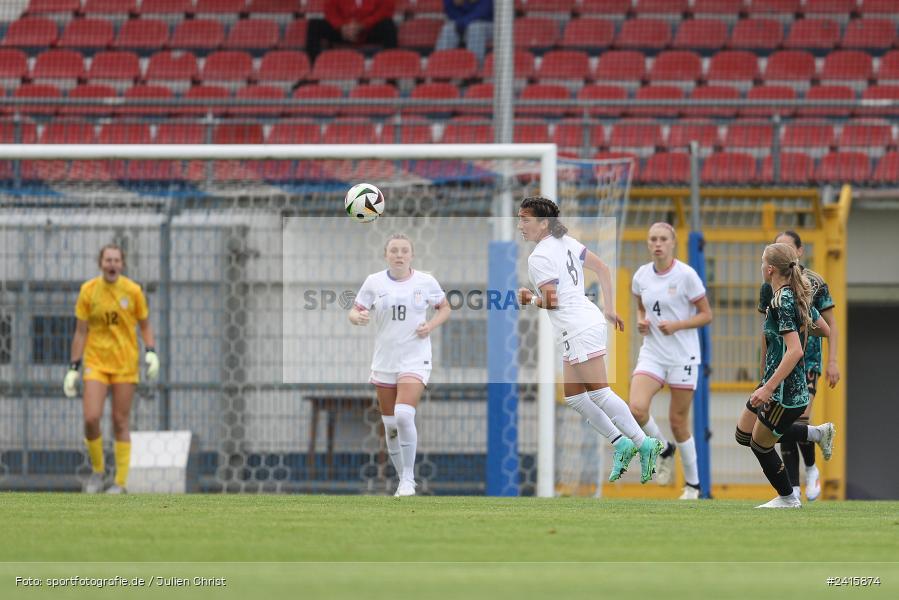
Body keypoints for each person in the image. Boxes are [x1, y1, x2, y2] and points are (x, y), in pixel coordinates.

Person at [516, 196, 663, 484]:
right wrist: (608, 308)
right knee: (574, 396)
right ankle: (620, 442)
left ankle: (644, 442)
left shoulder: (539, 256)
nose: (520, 225)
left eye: (525, 219)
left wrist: (529, 298)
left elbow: (551, 300)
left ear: (543, 223)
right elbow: (603, 269)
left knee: (598, 393)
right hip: (582, 324)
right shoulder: (566, 242)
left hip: (578, 326)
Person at [348, 234, 450, 497]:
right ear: (386, 255)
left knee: (404, 415)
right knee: (391, 425)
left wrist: (430, 325)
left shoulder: (425, 282)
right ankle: (401, 478)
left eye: (404, 250)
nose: (399, 255)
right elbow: (355, 309)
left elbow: (445, 308)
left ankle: (408, 479)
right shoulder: (374, 282)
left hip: (415, 358)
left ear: (411, 255)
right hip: (385, 360)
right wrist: (357, 317)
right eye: (394, 250)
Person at [735, 243, 835, 508]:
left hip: (784, 393)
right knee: (743, 435)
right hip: (776, 383)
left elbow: (795, 352)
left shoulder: (782, 301)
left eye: (761, 262)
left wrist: (768, 388)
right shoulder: (793, 296)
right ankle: (814, 434)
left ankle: (788, 498)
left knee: (760, 445)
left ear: (769, 269)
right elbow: (823, 330)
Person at [64, 244, 159, 494]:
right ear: (100, 263)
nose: (112, 264)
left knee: (120, 420)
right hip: (96, 362)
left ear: (122, 264)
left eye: (117, 260)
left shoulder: (133, 291)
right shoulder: (89, 291)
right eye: (108, 260)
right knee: (91, 417)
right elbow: (81, 331)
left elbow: (145, 325)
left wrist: (151, 353)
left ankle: (120, 483)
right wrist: (74, 367)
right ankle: (98, 471)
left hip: (125, 364)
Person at [629, 223, 713, 500]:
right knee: (637, 409)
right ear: (648, 243)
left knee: (678, 422)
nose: (658, 244)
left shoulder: (686, 275)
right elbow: (642, 307)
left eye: (663, 239)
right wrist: (642, 322)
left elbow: (705, 314)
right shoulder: (641, 275)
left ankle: (693, 486)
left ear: (673, 242)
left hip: (682, 355)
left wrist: (678, 325)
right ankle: (663, 448)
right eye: (653, 239)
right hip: (653, 351)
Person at [760, 230, 840, 502]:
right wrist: (764, 374)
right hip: (779, 366)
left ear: (798, 252)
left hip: (802, 363)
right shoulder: (771, 290)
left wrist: (832, 360)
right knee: (761, 431)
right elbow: (767, 334)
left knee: (786, 422)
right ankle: (792, 487)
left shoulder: (811, 284)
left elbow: (826, 329)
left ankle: (805, 474)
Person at [306, 0, 398, 62]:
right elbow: (330, 10)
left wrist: (363, 25)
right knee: (315, 25)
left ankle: (390, 75)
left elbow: (385, 11)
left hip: (369, 31)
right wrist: (342, 26)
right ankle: (311, 71)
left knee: (388, 25)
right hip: (343, 31)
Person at [435, 0, 493, 65]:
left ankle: (475, 66)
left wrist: (462, 23)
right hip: (463, 23)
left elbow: (483, 12)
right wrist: (455, 4)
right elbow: (449, 12)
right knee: (448, 29)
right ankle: (440, 64)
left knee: (475, 28)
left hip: (490, 26)